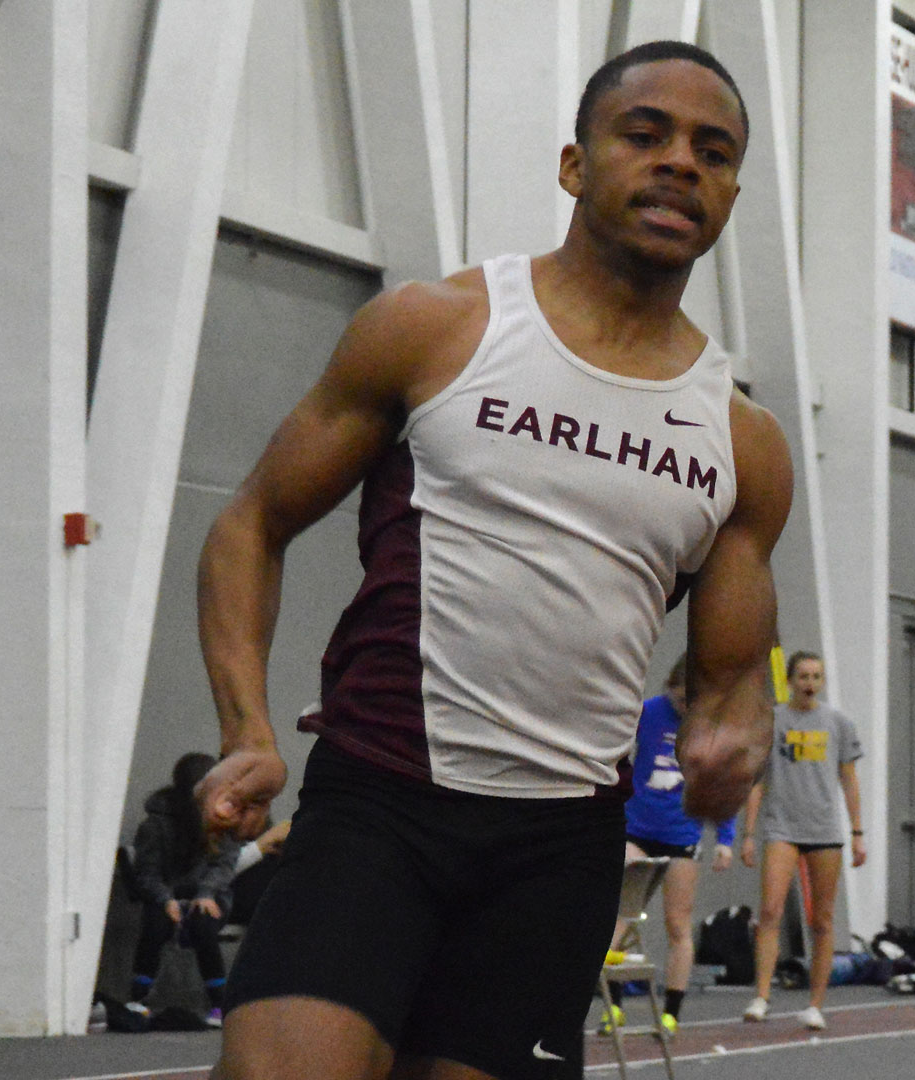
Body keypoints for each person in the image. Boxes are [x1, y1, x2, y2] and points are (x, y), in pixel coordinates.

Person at [195, 39, 791, 1080]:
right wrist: (246, 728)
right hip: (380, 803)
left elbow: (734, 681)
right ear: (575, 164)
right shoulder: (439, 330)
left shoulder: (741, 444)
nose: (681, 164)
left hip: (557, 854)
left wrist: (733, 740)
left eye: (713, 150)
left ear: (733, 192)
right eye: (644, 135)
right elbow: (250, 523)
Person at [600, 657, 737, 1037]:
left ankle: (671, 1011)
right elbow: (616, 756)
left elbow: (719, 783)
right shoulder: (648, 713)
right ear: (670, 688)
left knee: (678, 923)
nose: (683, 708)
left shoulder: (709, 726)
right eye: (678, 699)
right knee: (623, 913)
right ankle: (614, 1006)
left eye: (690, 702)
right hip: (638, 828)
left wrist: (725, 840)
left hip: (681, 834)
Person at [738, 650, 866, 1031]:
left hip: (824, 828)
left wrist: (858, 832)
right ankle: (761, 995)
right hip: (782, 826)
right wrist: (748, 833)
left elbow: (849, 780)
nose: (810, 683)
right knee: (771, 910)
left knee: (822, 920)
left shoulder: (838, 723)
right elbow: (757, 781)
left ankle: (815, 1003)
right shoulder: (773, 720)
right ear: (791, 680)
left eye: (816, 676)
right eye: (804, 676)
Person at [129, 752, 239, 1026]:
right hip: (166, 895)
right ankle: (137, 999)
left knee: (203, 926)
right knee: (155, 924)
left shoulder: (222, 819)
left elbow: (225, 864)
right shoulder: (156, 824)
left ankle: (219, 1004)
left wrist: (206, 893)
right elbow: (147, 873)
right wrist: (166, 900)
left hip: (209, 896)